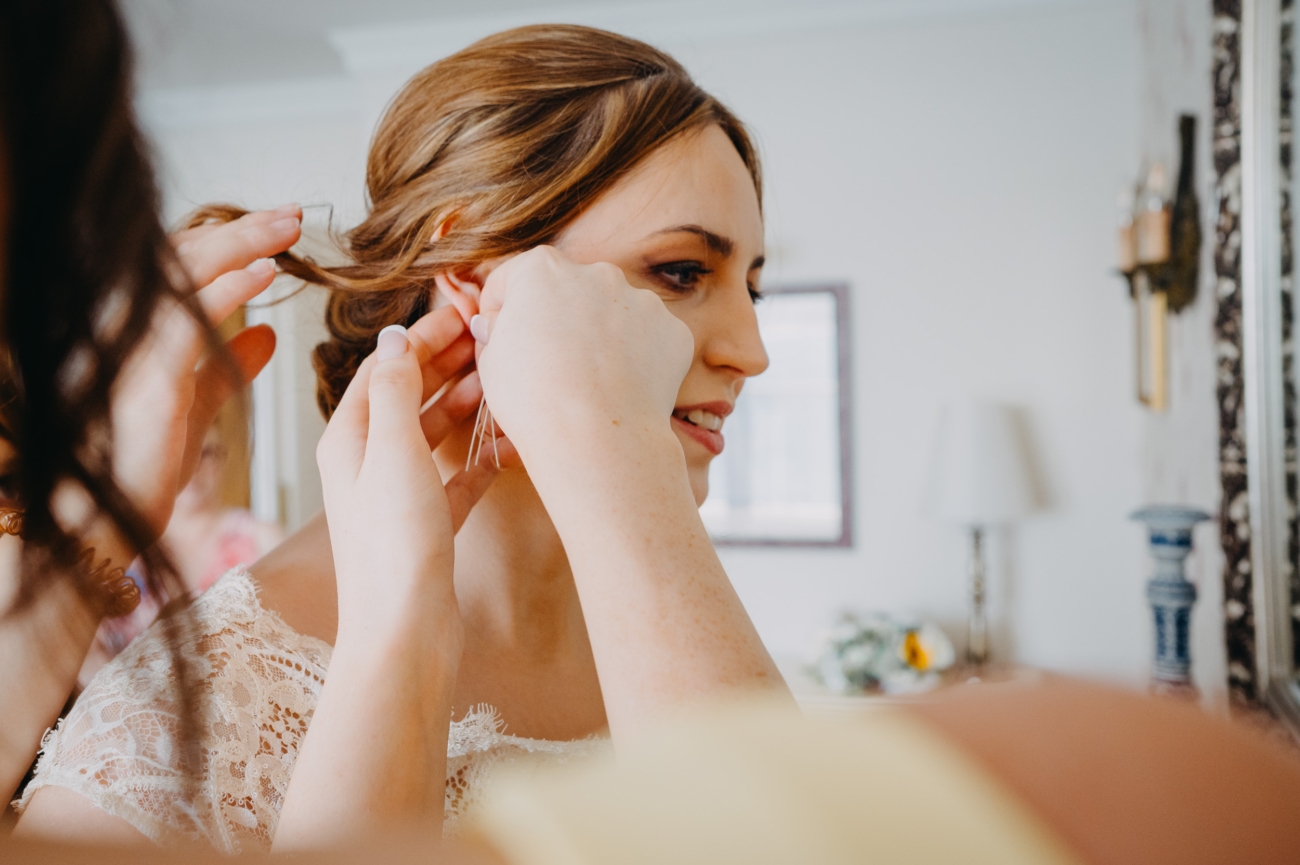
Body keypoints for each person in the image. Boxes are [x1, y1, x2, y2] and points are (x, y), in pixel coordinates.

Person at [13, 24, 788, 850]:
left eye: (752, 287)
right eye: (681, 272)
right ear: (475, 270)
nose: (752, 351)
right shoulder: (194, 711)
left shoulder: (679, 628)